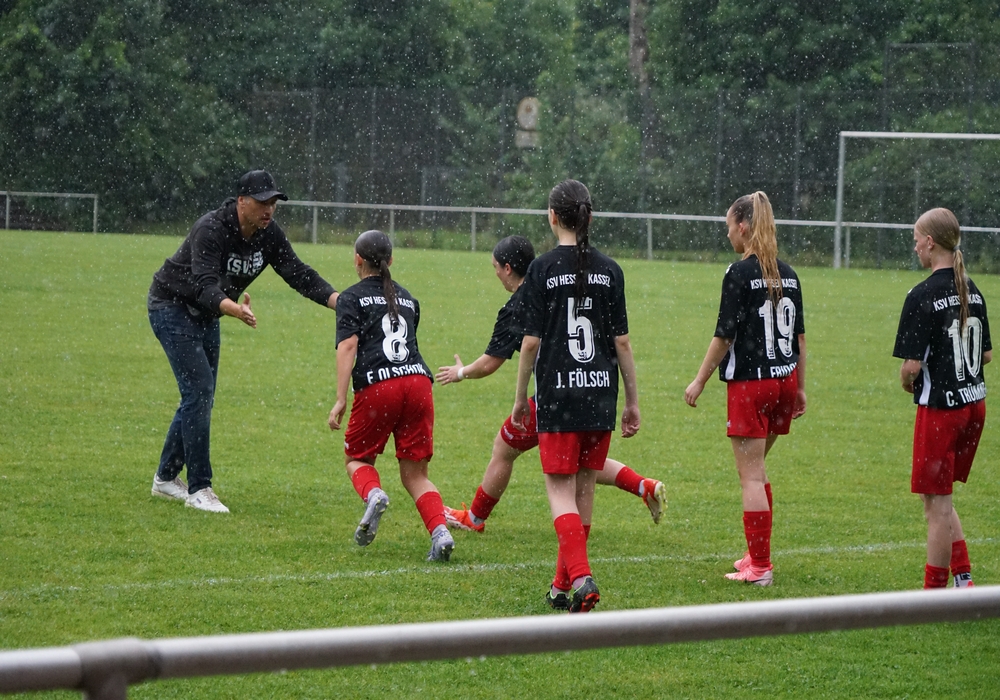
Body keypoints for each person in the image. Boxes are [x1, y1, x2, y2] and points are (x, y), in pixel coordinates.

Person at [436, 235, 665, 534]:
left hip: (556, 396)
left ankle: (475, 518)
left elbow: (492, 361)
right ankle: (643, 486)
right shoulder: (559, 279)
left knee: (506, 449)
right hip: (595, 388)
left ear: (508, 268)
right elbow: (619, 339)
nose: (495, 274)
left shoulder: (523, 301)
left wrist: (461, 372)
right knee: (584, 464)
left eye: (495, 267)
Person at [148, 170, 339, 513]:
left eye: (273, 203)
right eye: (262, 202)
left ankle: (165, 478)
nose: (269, 209)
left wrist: (338, 301)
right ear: (241, 201)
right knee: (199, 392)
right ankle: (199, 488)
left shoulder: (269, 234)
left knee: (200, 395)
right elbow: (205, 286)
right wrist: (234, 309)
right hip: (172, 306)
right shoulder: (211, 229)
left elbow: (297, 273)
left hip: (209, 313)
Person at [511, 180, 640, 613]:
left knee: (560, 491)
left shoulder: (542, 269)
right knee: (584, 490)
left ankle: (582, 578)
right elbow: (622, 343)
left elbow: (531, 343)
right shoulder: (611, 270)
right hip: (600, 393)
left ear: (552, 217)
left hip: (559, 395)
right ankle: (561, 586)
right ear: (590, 217)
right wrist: (632, 401)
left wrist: (520, 398)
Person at [684, 191, 806, 587]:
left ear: (742, 226)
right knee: (758, 469)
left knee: (750, 476)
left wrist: (699, 380)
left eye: (728, 227)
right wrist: (801, 388)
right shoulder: (789, 274)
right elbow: (800, 339)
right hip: (785, 380)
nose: (728, 236)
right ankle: (756, 555)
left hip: (753, 383)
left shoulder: (738, 273)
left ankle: (761, 568)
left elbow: (725, 335)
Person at [328, 230, 454, 562]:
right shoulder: (408, 298)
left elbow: (348, 346)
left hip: (379, 386)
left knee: (357, 460)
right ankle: (441, 533)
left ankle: (373, 494)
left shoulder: (350, 298)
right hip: (418, 383)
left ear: (357, 259)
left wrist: (340, 398)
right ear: (391, 261)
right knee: (416, 474)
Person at [893, 208, 991, 589]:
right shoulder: (972, 288)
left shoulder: (921, 294)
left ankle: (932, 595)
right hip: (973, 405)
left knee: (935, 506)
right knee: (942, 499)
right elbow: (985, 356)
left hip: (942, 410)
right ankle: (963, 579)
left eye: (917, 239)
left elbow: (911, 367)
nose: (915, 246)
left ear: (931, 243)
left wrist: (906, 381)